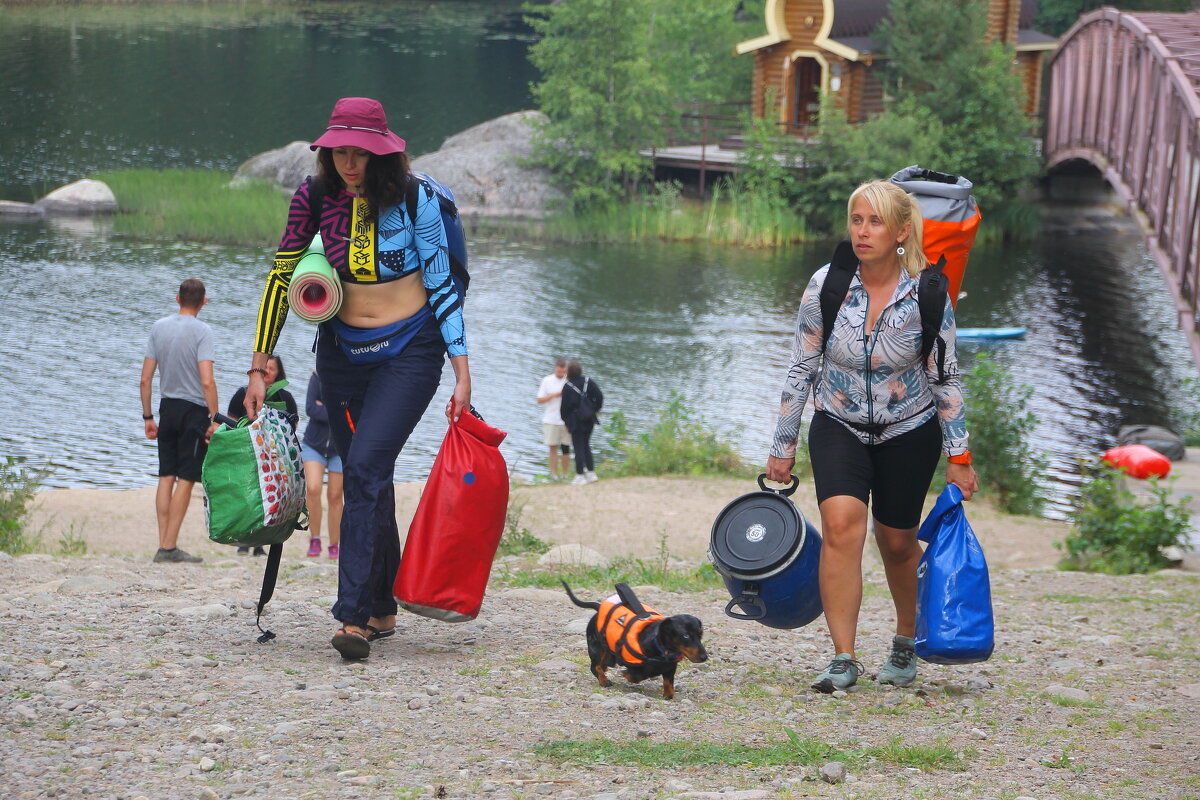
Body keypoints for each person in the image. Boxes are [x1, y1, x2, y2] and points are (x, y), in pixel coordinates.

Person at [243, 97, 471, 661]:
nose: (348, 162)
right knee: (373, 477)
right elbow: (282, 273)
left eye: (359, 153)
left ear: (383, 152)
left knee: (364, 469)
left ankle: (353, 619)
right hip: (342, 357)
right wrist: (258, 365)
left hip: (411, 353)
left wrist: (462, 372)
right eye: (338, 151)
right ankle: (383, 606)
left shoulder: (414, 197)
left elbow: (442, 283)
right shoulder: (314, 196)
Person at [765, 180, 980, 693]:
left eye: (875, 222)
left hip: (910, 428)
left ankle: (906, 642)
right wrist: (783, 446)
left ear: (902, 231)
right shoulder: (827, 285)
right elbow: (801, 365)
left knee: (899, 542)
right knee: (841, 526)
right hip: (838, 423)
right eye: (856, 220)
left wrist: (960, 454)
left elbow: (945, 376)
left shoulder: (928, 291)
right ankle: (843, 657)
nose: (862, 231)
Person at [140, 278, 220, 564]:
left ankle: (165, 542)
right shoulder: (203, 332)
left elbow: (145, 378)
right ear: (204, 302)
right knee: (186, 477)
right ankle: (169, 546)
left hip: (166, 407)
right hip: (193, 411)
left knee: (166, 475)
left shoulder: (158, 327)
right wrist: (214, 417)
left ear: (177, 298)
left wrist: (148, 416)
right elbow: (207, 380)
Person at [225, 354, 299, 555]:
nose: (267, 371)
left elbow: (293, 430)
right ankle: (243, 538)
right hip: (245, 453)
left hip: (273, 458)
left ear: (278, 373)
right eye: (264, 367)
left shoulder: (286, 398)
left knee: (267, 498)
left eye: (272, 368)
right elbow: (228, 425)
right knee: (245, 496)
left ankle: (259, 543)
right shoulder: (243, 394)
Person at [300, 370, 343, 561]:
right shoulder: (318, 376)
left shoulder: (350, 376)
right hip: (313, 444)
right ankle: (315, 539)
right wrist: (336, 410)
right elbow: (310, 408)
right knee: (313, 488)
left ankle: (334, 544)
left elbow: (351, 411)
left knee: (335, 495)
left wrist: (325, 407)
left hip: (339, 447)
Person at [559, 359, 603, 486]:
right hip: (589, 419)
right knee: (586, 445)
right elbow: (599, 397)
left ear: (569, 372)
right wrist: (594, 409)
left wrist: (566, 421)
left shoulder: (567, 386)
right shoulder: (588, 382)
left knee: (578, 447)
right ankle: (591, 473)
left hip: (575, 420)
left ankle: (579, 475)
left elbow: (564, 408)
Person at [536, 358, 572, 480]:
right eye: (559, 371)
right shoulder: (547, 380)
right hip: (551, 419)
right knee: (553, 447)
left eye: (563, 372)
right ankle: (554, 474)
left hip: (566, 420)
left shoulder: (569, 380)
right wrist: (555, 395)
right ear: (555, 369)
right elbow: (539, 400)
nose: (561, 374)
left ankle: (565, 474)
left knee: (566, 447)